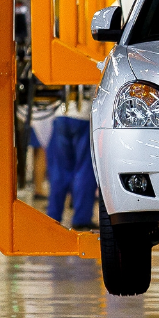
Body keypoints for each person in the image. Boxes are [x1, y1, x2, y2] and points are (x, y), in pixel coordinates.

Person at [45, 86, 96, 230]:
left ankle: (53, 217)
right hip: (85, 116)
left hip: (61, 115)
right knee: (84, 170)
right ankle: (81, 219)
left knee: (59, 171)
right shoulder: (94, 63)